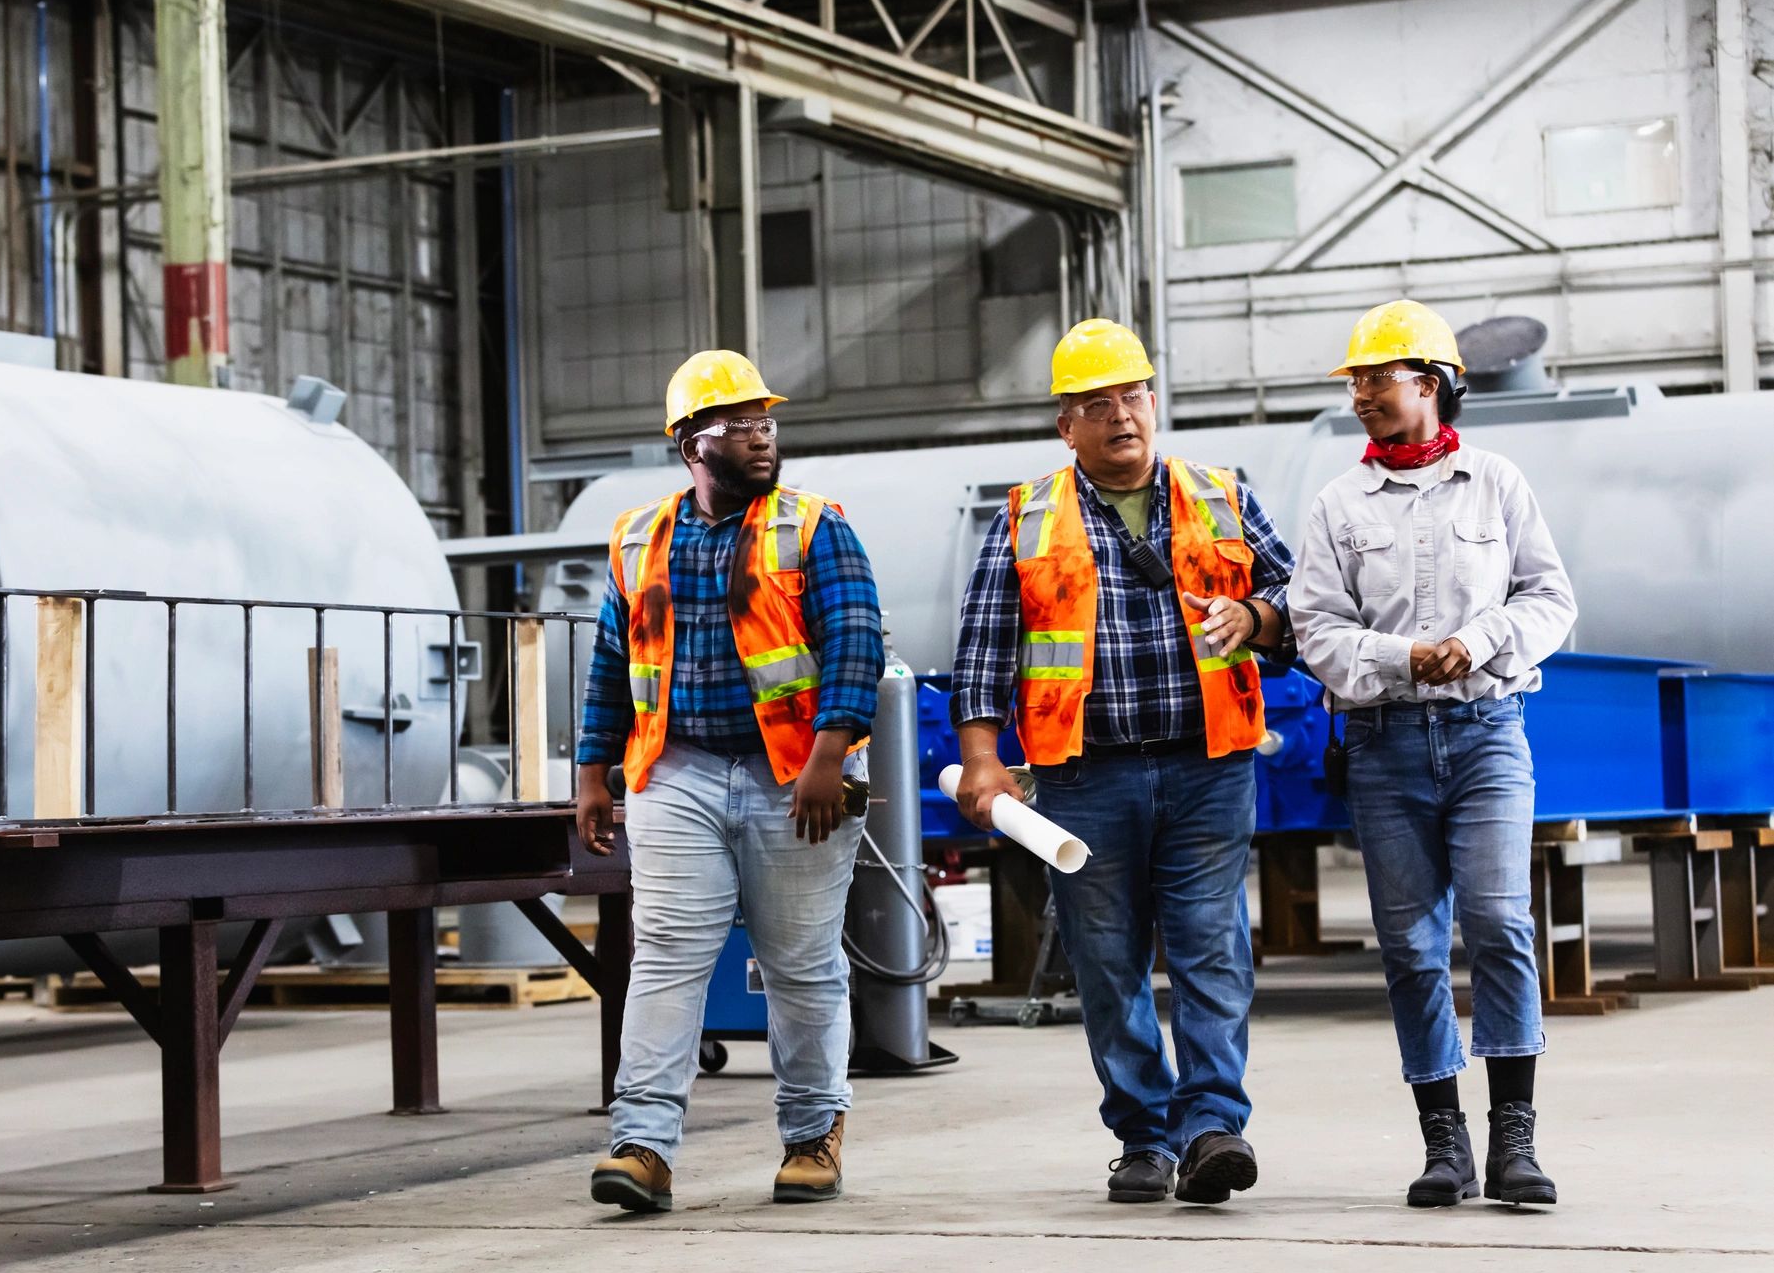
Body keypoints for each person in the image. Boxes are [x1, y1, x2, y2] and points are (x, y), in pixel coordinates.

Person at [951, 318, 1294, 1206]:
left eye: (1133, 395)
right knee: (1106, 961)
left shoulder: (1221, 495)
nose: (1121, 416)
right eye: (1096, 404)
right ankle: (1142, 1136)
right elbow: (985, 651)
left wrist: (1255, 619)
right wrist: (982, 762)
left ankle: (1211, 1127)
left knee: (1211, 951)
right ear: (1066, 425)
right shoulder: (1024, 518)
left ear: (1155, 401)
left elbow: (1298, 596)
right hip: (1084, 776)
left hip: (1206, 764)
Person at [575, 349, 884, 1213]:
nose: (760, 439)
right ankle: (641, 1146)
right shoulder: (639, 538)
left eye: (766, 424)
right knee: (667, 954)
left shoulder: (816, 527)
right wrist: (590, 771)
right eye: (738, 426)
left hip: (797, 778)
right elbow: (610, 663)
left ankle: (811, 1136)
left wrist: (828, 758)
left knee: (799, 963)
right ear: (688, 445)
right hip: (675, 771)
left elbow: (855, 645)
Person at [1289, 299, 1578, 1207]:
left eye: (1379, 378)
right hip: (1383, 746)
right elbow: (1313, 628)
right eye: (1357, 381)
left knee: (1499, 925)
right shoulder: (1337, 503)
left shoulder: (1495, 482)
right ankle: (1442, 1144)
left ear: (1432, 384)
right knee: (1411, 949)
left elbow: (1550, 598)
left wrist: (1482, 639)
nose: (1364, 395)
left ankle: (1513, 1144)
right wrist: (1397, 657)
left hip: (1487, 732)